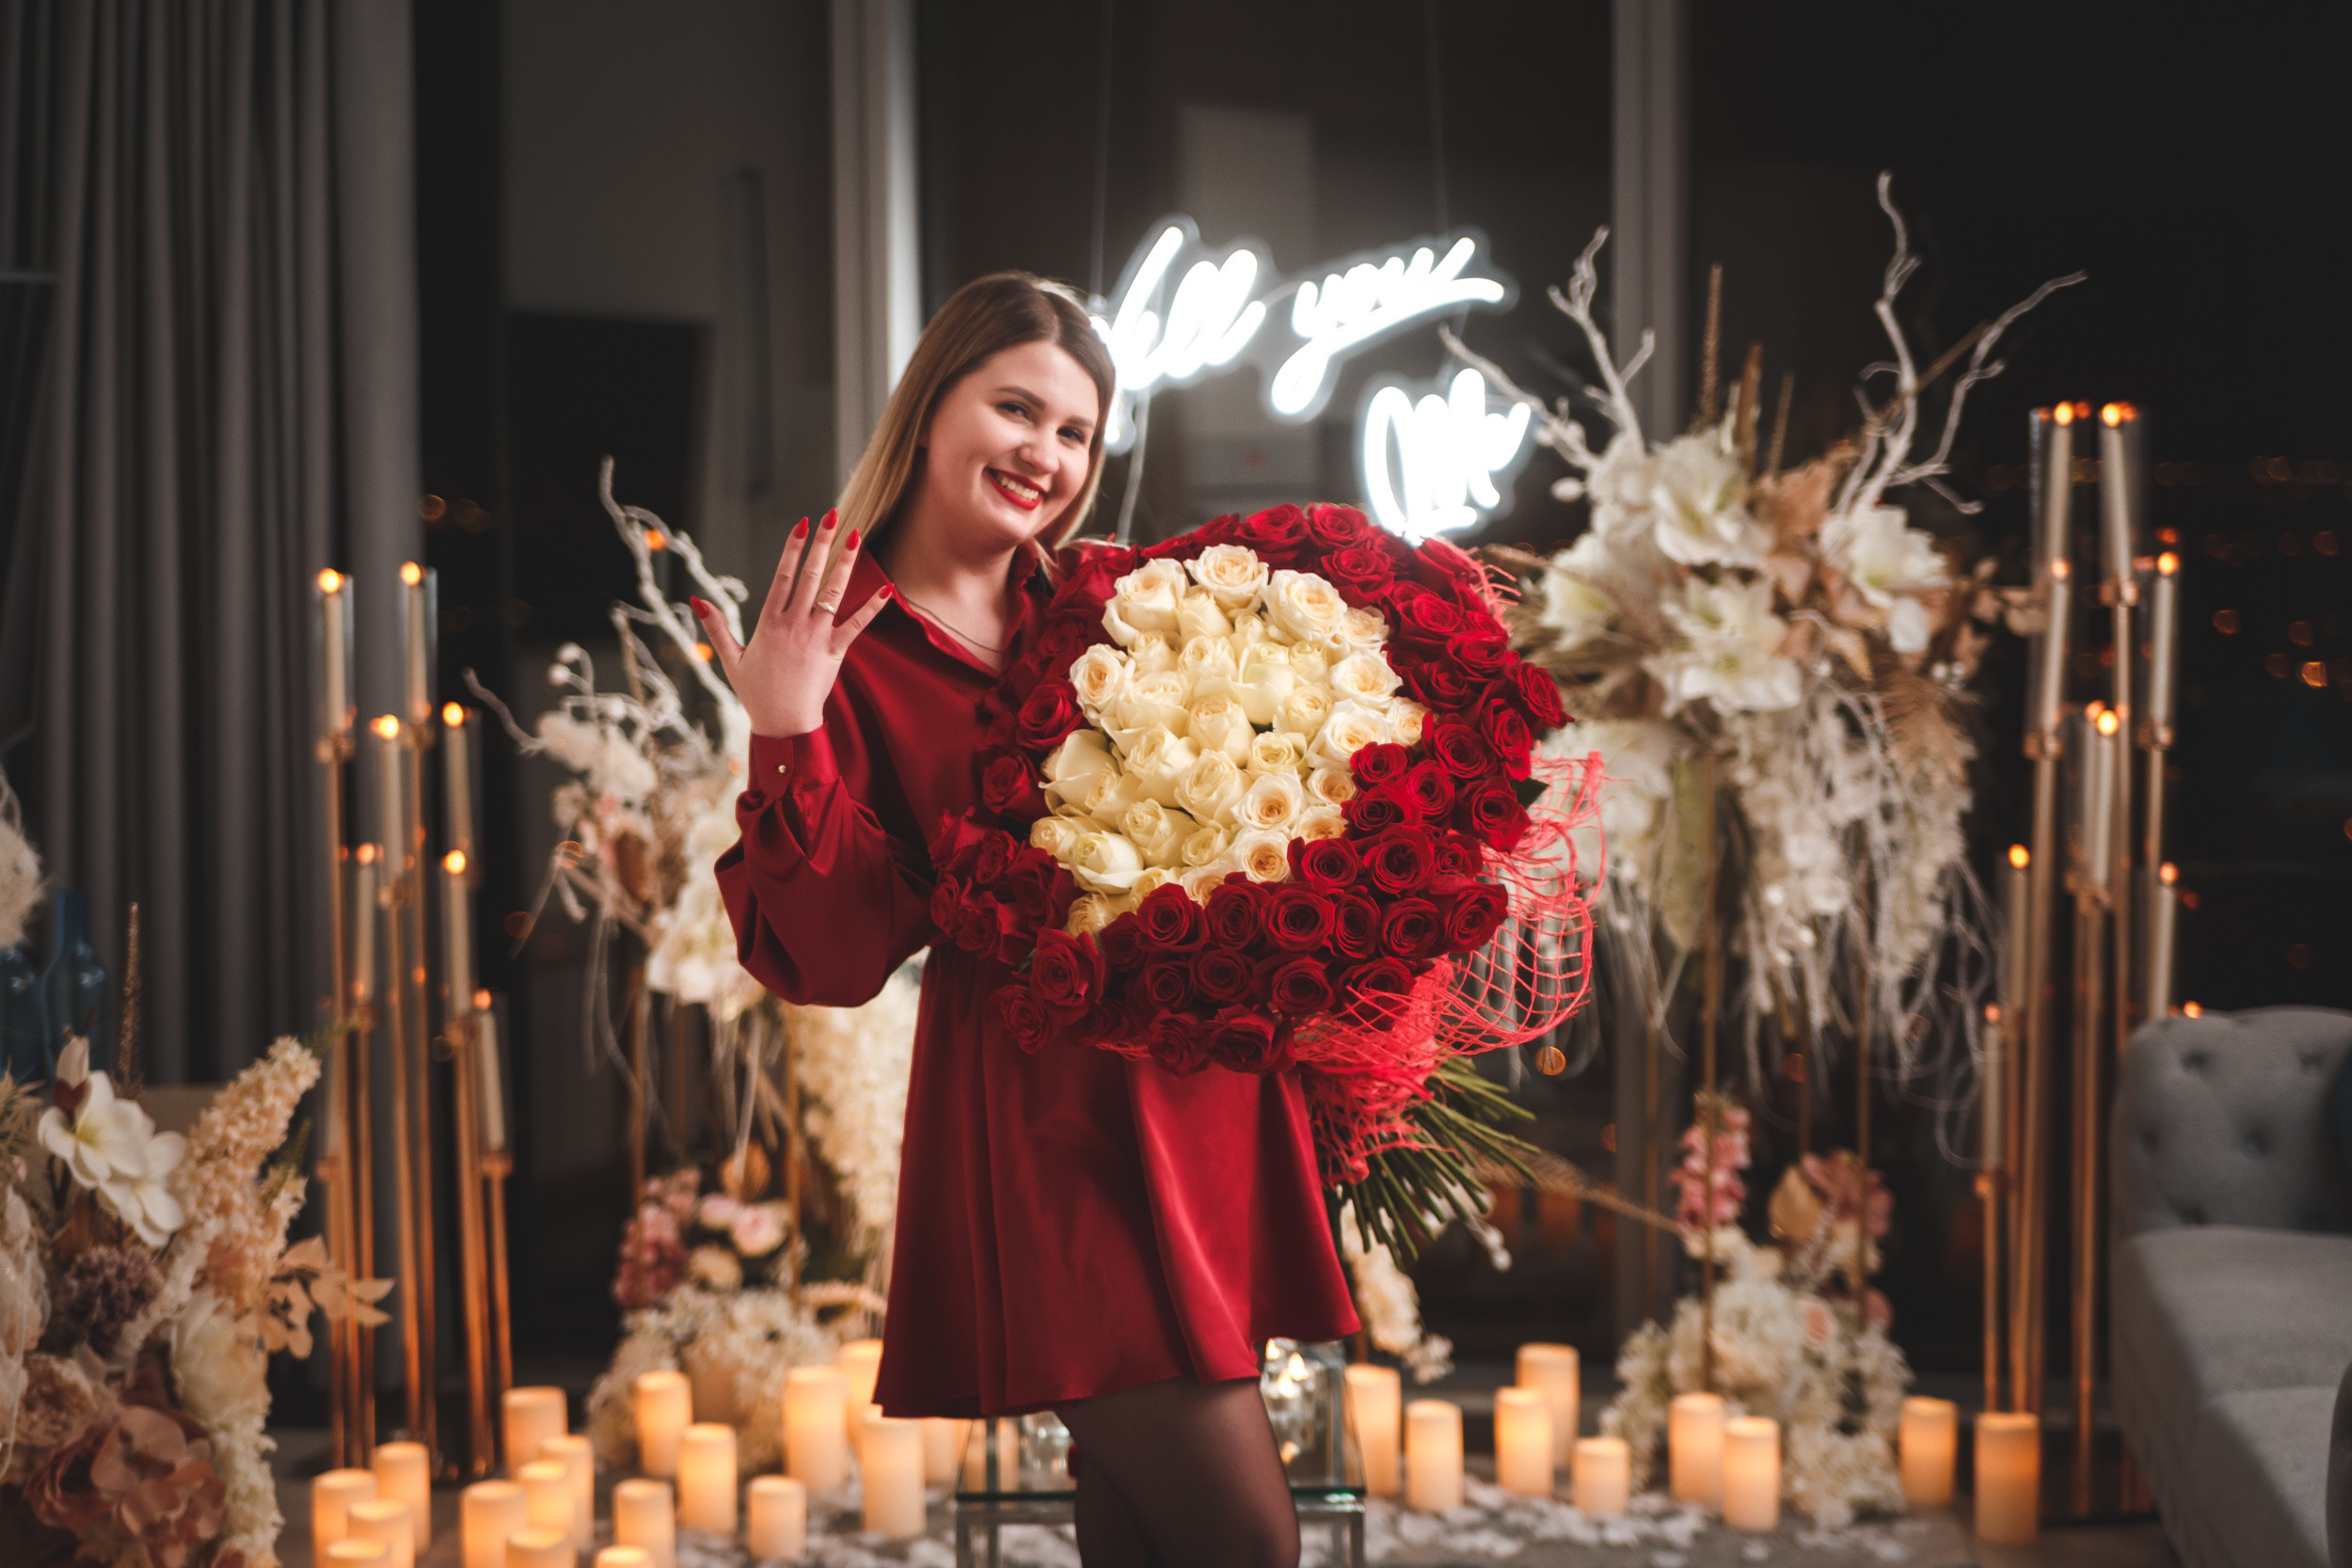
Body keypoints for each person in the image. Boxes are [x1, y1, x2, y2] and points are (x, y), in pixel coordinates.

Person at [694, 272, 1358, 1568]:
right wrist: (784, 727)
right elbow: (833, 955)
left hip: (1196, 1101)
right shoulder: (839, 641)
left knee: (1143, 1529)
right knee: (1246, 1544)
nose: (1045, 454)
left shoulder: (1112, 601)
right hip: (1047, 1126)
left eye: (1075, 432)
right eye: (1016, 409)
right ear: (931, 406)